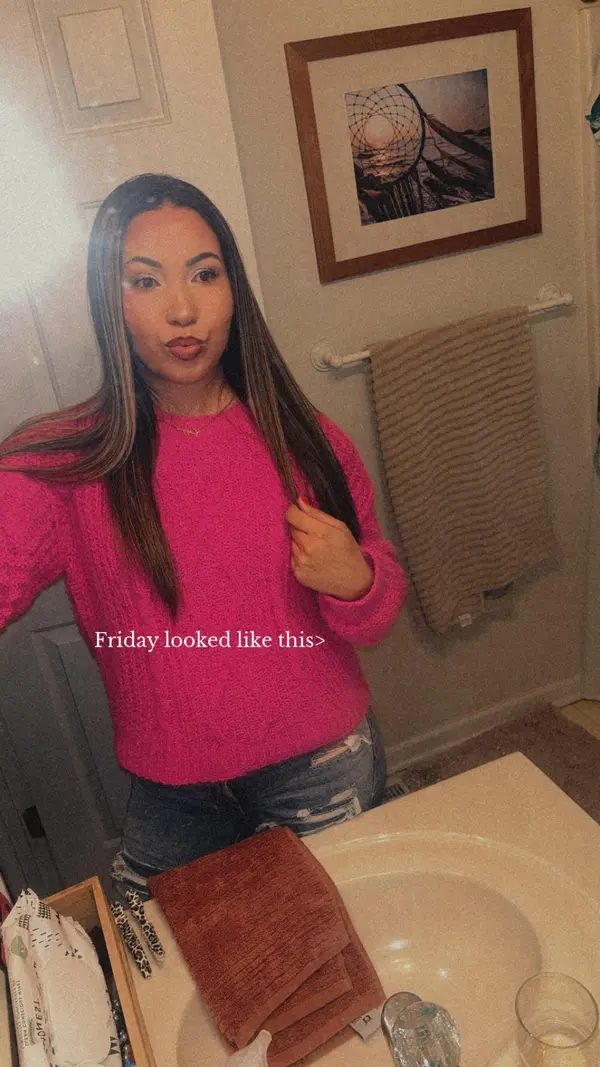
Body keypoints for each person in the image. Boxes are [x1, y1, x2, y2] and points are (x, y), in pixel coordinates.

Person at [0, 173, 407, 900]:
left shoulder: (306, 439)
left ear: (233, 290)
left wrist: (358, 578)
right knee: (168, 960)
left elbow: (378, 606)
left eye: (204, 274)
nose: (183, 309)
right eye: (144, 281)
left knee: (333, 946)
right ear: (111, 303)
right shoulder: (70, 464)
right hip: (173, 791)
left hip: (322, 765)